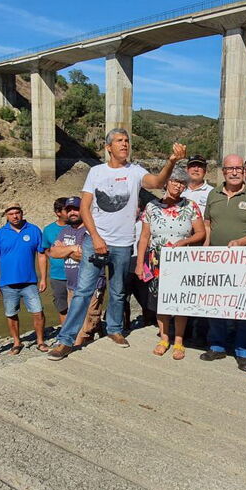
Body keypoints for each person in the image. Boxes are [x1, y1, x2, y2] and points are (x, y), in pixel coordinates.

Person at [47, 129, 186, 360]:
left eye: (127, 141)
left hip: (123, 243)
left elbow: (157, 182)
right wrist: (96, 237)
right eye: (119, 141)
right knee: (83, 291)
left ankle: (114, 329)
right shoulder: (96, 172)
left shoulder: (135, 171)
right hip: (95, 241)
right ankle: (65, 340)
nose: (124, 144)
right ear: (108, 147)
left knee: (119, 291)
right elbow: (85, 208)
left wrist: (171, 161)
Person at [200, 154, 246, 371]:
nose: (235, 172)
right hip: (216, 261)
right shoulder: (213, 194)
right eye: (231, 168)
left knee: (243, 307)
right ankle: (217, 346)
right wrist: (206, 248)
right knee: (216, 303)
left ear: (244, 171)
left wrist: (240, 242)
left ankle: (243, 352)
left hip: (244, 261)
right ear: (223, 171)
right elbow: (208, 224)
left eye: (239, 168)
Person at [136, 167, 206, 360]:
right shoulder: (151, 206)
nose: (178, 185)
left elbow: (201, 233)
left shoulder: (191, 206)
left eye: (182, 183)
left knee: (180, 303)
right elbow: (144, 237)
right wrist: (140, 263)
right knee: (161, 302)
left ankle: (179, 341)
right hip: (157, 261)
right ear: (166, 182)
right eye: (174, 181)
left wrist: (185, 241)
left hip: (182, 262)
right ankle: (164, 338)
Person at [0, 202, 48, 354]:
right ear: (6, 216)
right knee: (11, 314)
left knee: (38, 312)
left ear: (22, 213)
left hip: (29, 282)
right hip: (7, 284)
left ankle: (40, 341)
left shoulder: (34, 230)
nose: (14, 216)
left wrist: (43, 278)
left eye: (17, 212)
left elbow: (41, 255)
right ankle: (16, 342)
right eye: (11, 213)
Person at [47, 197, 107, 347]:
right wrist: (74, 248)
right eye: (69, 210)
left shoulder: (92, 230)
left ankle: (72, 349)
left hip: (92, 285)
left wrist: (65, 250)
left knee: (85, 325)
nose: (72, 213)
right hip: (72, 286)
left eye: (76, 209)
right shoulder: (65, 231)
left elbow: (88, 257)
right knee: (77, 319)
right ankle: (96, 334)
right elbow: (53, 252)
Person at [42, 197, 70, 326]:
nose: (71, 212)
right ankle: (66, 333)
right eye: (67, 210)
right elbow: (45, 250)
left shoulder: (78, 226)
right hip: (58, 275)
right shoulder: (48, 230)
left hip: (78, 274)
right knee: (62, 307)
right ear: (58, 212)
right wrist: (56, 255)